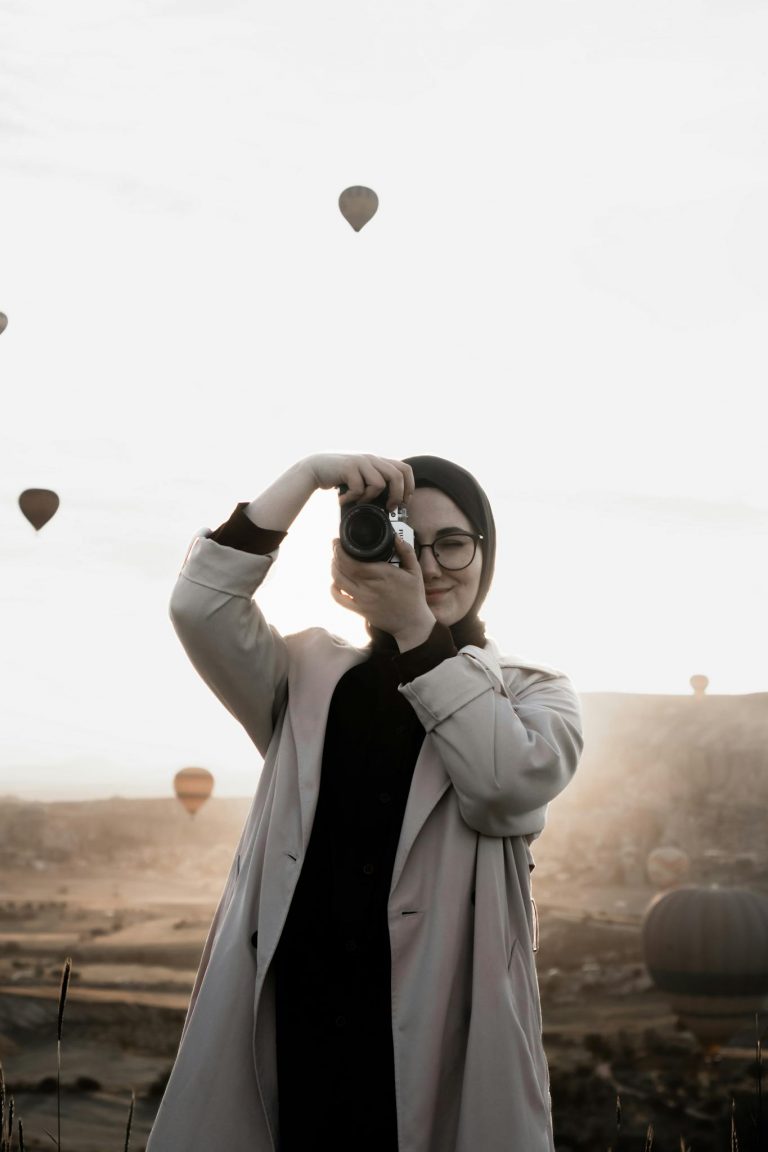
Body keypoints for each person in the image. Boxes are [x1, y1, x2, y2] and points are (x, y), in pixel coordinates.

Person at [145, 453, 583, 1152]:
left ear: (487, 553)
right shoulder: (310, 675)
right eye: (410, 538)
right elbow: (199, 605)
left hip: (431, 1032)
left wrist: (416, 631)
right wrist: (307, 475)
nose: (432, 565)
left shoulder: (533, 696)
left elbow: (504, 783)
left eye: (454, 543)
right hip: (296, 1022)